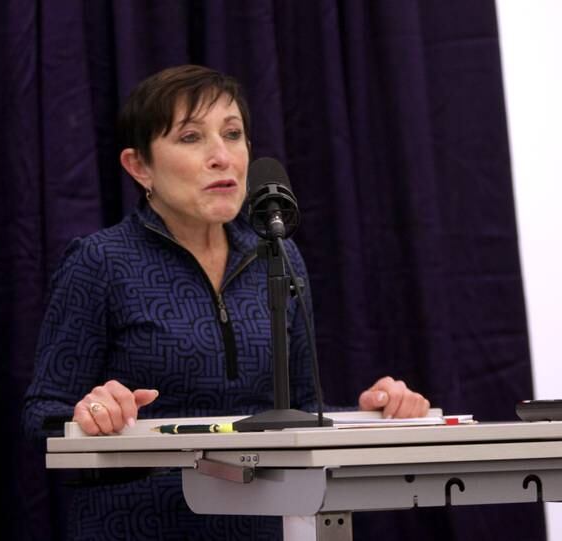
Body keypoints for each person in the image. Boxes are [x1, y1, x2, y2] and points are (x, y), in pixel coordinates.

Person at [23, 64, 430, 540]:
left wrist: (371, 414)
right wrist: (91, 412)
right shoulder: (100, 262)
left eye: (233, 134)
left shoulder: (277, 255)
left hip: (264, 524)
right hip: (140, 525)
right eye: (191, 137)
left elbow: (301, 409)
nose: (221, 157)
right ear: (139, 167)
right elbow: (42, 415)